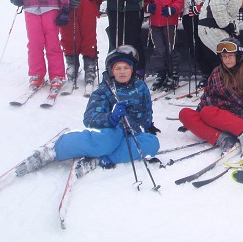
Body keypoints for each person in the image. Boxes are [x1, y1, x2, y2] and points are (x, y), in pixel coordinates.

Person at [14, 45, 160, 177]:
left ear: (132, 69)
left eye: (126, 68)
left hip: (132, 132)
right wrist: (111, 118)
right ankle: (55, 149)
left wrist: (148, 125)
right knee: (107, 141)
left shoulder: (140, 86)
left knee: (152, 144)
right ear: (111, 70)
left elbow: (146, 108)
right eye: (118, 68)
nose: (122, 72)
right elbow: (90, 118)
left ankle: (102, 158)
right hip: (112, 131)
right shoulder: (105, 90)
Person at [178, 38, 243, 156]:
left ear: (238, 57)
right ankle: (224, 139)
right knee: (184, 113)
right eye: (224, 56)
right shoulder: (216, 73)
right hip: (211, 115)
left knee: (207, 112)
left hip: (230, 118)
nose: (226, 60)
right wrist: (194, 119)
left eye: (230, 56)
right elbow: (207, 95)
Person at [144, 0, 184, 91]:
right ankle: (161, 74)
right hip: (155, 23)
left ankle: (173, 74)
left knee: (170, 49)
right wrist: (148, 7)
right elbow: (146, 0)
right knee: (158, 50)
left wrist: (173, 9)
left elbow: (179, 1)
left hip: (169, 23)